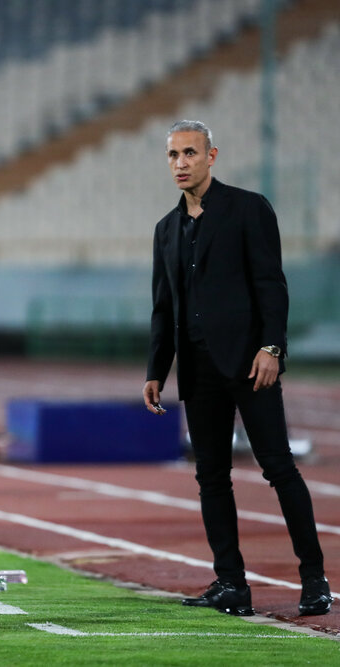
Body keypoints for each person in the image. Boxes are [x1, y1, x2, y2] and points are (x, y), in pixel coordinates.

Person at [143, 120, 332, 617]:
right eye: (172, 155)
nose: (180, 163)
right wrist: (156, 371)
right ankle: (231, 583)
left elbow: (272, 284)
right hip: (199, 371)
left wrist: (272, 348)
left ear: (212, 156)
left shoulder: (248, 209)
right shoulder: (166, 230)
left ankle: (315, 579)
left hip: (251, 364)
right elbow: (164, 309)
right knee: (211, 478)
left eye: (189, 153)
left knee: (280, 469)